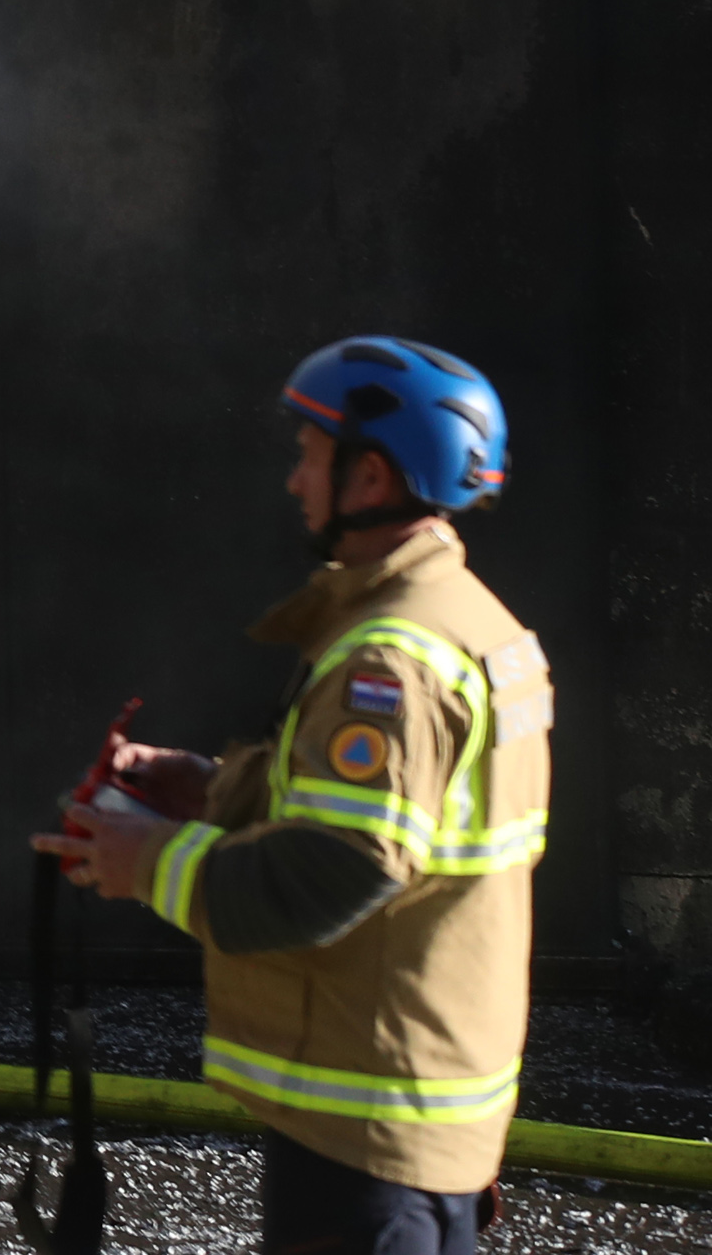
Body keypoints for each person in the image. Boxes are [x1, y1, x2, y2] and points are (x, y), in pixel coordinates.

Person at [47, 339, 548, 1255]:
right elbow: (409, 825)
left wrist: (144, 863)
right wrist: (212, 788)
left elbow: (338, 869)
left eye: (310, 456)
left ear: (370, 477)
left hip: (368, 1119)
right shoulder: (474, 622)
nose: (294, 481)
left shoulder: (389, 659)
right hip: (429, 1101)